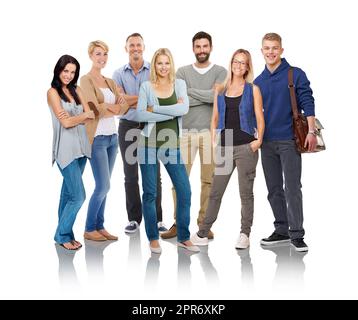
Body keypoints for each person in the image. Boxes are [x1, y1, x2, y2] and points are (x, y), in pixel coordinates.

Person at [191, 49, 264, 249]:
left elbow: (259, 116)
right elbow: (215, 116)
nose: (239, 66)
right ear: (231, 63)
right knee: (216, 191)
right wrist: (214, 136)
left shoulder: (253, 89)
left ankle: (244, 234)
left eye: (243, 63)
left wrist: (259, 141)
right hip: (225, 145)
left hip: (246, 146)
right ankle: (203, 232)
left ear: (247, 66)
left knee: (245, 193)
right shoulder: (221, 89)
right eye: (236, 62)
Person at [161, 31, 227, 240]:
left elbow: (217, 98)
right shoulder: (181, 72)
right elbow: (181, 99)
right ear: (193, 49)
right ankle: (178, 223)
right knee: (179, 180)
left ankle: (203, 224)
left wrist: (193, 93)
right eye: (198, 47)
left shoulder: (221, 71)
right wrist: (208, 95)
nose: (201, 50)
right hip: (185, 133)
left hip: (210, 134)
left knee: (209, 180)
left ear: (211, 47)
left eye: (205, 46)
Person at [254, 33, 317, 252]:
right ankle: (281, 229)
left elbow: (307, 101)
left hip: (290, 140)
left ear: (281, 50)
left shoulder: (295, 74)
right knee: (273, 189)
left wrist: (311, 131)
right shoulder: (258, 81)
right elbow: (254, 113)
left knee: (292, 187)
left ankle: (297, 234)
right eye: (266, 48)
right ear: (261, 51)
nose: (270, 52)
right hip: (267, 142)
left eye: (274, 48)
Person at [135, 48, 199, 254]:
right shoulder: (146, 86)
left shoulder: (179, 85)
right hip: (148, 146)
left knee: (185, 191)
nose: (163, 67)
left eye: (167, 63)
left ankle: (184, 236)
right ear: (154, 65)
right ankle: (153, 237)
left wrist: (155, 109)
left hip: (172, 146)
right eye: (159, 63)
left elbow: (183, 110)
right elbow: (140, 115)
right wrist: (168, 112)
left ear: (171, 64)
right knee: (150, 193)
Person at [112, 33, 166, 234]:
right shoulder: (118, 74)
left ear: (144, 47)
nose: (135, 48)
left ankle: (158, 219)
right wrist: (144, 96)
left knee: (154, 173)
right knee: (130, 174)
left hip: (151, 125)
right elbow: (120, 103)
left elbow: (158, 97)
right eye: (131, 45)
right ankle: (134, 219)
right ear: (126, 48)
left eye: (138, 45)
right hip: (127, 126)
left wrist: (131, 99)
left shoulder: (154, 69)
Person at [80, 40, 129, 242]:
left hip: (112, 138)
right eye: (98, 54)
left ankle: (100, 226)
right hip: (97, 139)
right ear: (91, 56)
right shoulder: (86, 80)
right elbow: (93, 108)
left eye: (105, 54)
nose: (102, 58)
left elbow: (124, 106)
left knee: (106, 186)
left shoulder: (109, 81)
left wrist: (113, 107)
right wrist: (113, 108)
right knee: (103, 186)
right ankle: (89, 228)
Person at [47, 55, 95, 250]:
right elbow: (66, 122)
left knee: (68, 195)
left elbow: (90, 116)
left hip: (82, 148)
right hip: (65, 150)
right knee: (78, 196)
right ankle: (61, 234)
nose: (68, 75)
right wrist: (81, 116)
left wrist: (80, 116)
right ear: (58, 70)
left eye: (72, 72)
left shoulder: (77, 90)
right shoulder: (52, 92)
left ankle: (66, 234)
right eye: (65, 70)